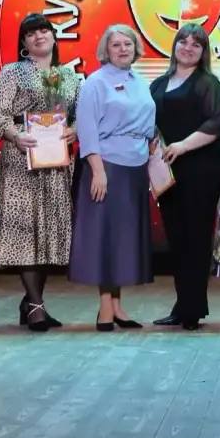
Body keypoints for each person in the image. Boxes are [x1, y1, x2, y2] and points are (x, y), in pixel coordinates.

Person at [0, 13, 79, 332]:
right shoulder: (12, 72)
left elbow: (80, 114)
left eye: (44, 30)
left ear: (54, 36)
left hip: (56, 165)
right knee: (25, 233)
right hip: (21, 161)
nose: (38, 36)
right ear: (24, 43)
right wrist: (15, 135)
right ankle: (36, 306)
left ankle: (30, 302)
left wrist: (75, 129)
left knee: (49, 235)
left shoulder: (68, 76)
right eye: (30, 33)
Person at [68, 24, 157, 331]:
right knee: (104, 237)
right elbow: (87, 128)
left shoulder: (141, 82)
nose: (122, 49)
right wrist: (97, 170)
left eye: (127, 44)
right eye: (116, 44)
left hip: (136, 166)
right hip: (108, 165)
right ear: (106, 50)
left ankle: (118, 307)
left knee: (123, 239)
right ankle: (105, 306)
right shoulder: (95, 82)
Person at [150, 24, 220, 331]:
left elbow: (217, 123)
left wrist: (182, 145)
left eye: (197, 44)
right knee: (177, 240)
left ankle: (192, 309)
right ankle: (183, 305)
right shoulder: (158, 84)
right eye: (183, 41)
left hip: (201, 170)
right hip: (167, 173)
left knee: (196, 240)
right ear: (174, 45)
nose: (188, 47)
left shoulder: (208, 83)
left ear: (203, 52)